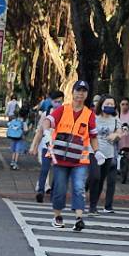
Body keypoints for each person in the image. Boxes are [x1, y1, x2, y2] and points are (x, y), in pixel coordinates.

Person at [49, 79, 100, 232]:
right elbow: (49, 120)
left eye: (84, 91)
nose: (80, 94)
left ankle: (79, 218)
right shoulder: (62, 110)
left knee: (78, 188)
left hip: (80, 160)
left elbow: (93, 136)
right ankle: (57, 216)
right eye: (78, 90)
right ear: (72, 93)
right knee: (60, 189)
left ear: (87, 94)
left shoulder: (89, 115)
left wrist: (97, 152)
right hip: (61, 159)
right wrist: (46, 129)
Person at [88, 95, 119, 213]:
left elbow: (120, 132)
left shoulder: (115, 119)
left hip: (109, 153)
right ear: (101, 104)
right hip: (94, 151)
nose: (110, 106)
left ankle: (93, 206)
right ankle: (91, 204)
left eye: (112, 104)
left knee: (101, 179)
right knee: (95, 176)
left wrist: (116, 135)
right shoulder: (93, 117)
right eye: (107, 104)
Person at [29, 91, 63, 200]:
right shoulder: (46, 113)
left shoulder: (66, 113)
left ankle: (54, 191)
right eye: (55, 101)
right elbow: (39, 132)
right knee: (45, 169)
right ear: (51, 101)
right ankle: (40, 191)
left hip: (60, 146)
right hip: (47, 146)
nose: (57, 103)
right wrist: (33, 146)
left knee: (58, 170)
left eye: (60, 101)